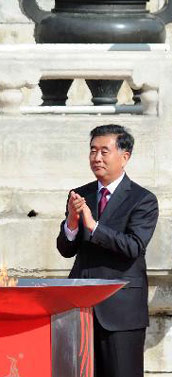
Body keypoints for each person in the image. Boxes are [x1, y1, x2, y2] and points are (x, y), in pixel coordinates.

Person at [57, 124, 159, 377]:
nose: (97, 158)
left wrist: (92, 225)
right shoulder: (81, 194)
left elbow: (134, 246)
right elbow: (66, 249)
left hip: (121, 310)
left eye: (104, 151)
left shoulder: (142, 199)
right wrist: (71, 223)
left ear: (125, 157)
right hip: (81, 306)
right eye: (93, 151)